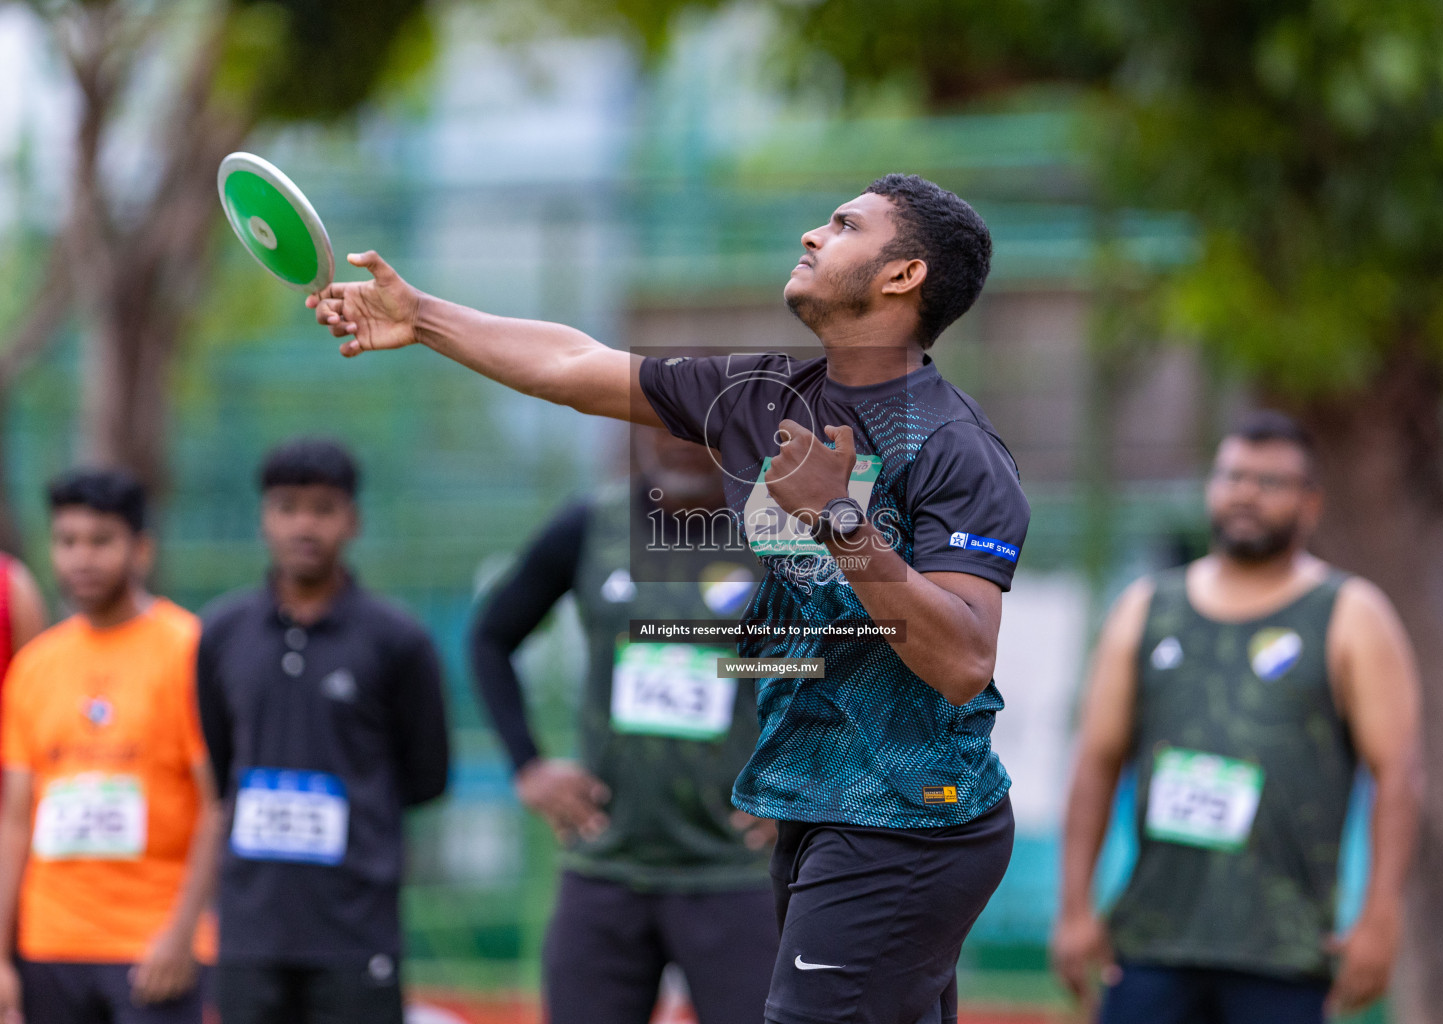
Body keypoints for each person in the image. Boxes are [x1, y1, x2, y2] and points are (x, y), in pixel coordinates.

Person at [309, 172, 1030, 1024]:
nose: (811, 234)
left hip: (911, 817)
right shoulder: (763, 397)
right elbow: (572, 364)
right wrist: (422, 318)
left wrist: (841, 521)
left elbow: (961, 661)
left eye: (843, 225)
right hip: (813, 803)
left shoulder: (954, 447)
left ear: (902, 276)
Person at [1050, 411, 1422, 1024]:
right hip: (1152, 943)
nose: (1246, 492)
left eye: (1270, 482)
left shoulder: (1350, 614)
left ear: (1311, 504)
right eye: (1232, 475)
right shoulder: (1147, 609)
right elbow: (1095, 760)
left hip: (1285, 951)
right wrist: (1073, 909)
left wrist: (1380, 920)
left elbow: (1399, 774)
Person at [471, 426, 777, 1024]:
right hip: (606, 865)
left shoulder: (780, 538)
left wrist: (805, 777)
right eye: (667, 421)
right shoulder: (592, 526)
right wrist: (527, 765)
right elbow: (490, 637)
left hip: (736, 868)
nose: (683, 439)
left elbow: (844, 658)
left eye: (704, 425)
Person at [196, 438, 450, 1024]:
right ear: (263, 518)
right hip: (248, 930)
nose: (303, 525)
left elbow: (426, 776)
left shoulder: (397, 641)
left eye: (322, 508)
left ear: (352, 520)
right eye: (287, 507)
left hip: (355, 928)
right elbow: (220, 762)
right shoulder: (221, 633)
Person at [0, 468, 220, 1024]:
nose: (82, 559)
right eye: (67, 541)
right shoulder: (34, 666)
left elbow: (218, 804)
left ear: (140, 549)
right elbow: (16, 819)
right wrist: (2, 955)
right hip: (48, 946)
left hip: (151, 948)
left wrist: (182, 936)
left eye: (101, 541)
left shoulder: (188, 651)